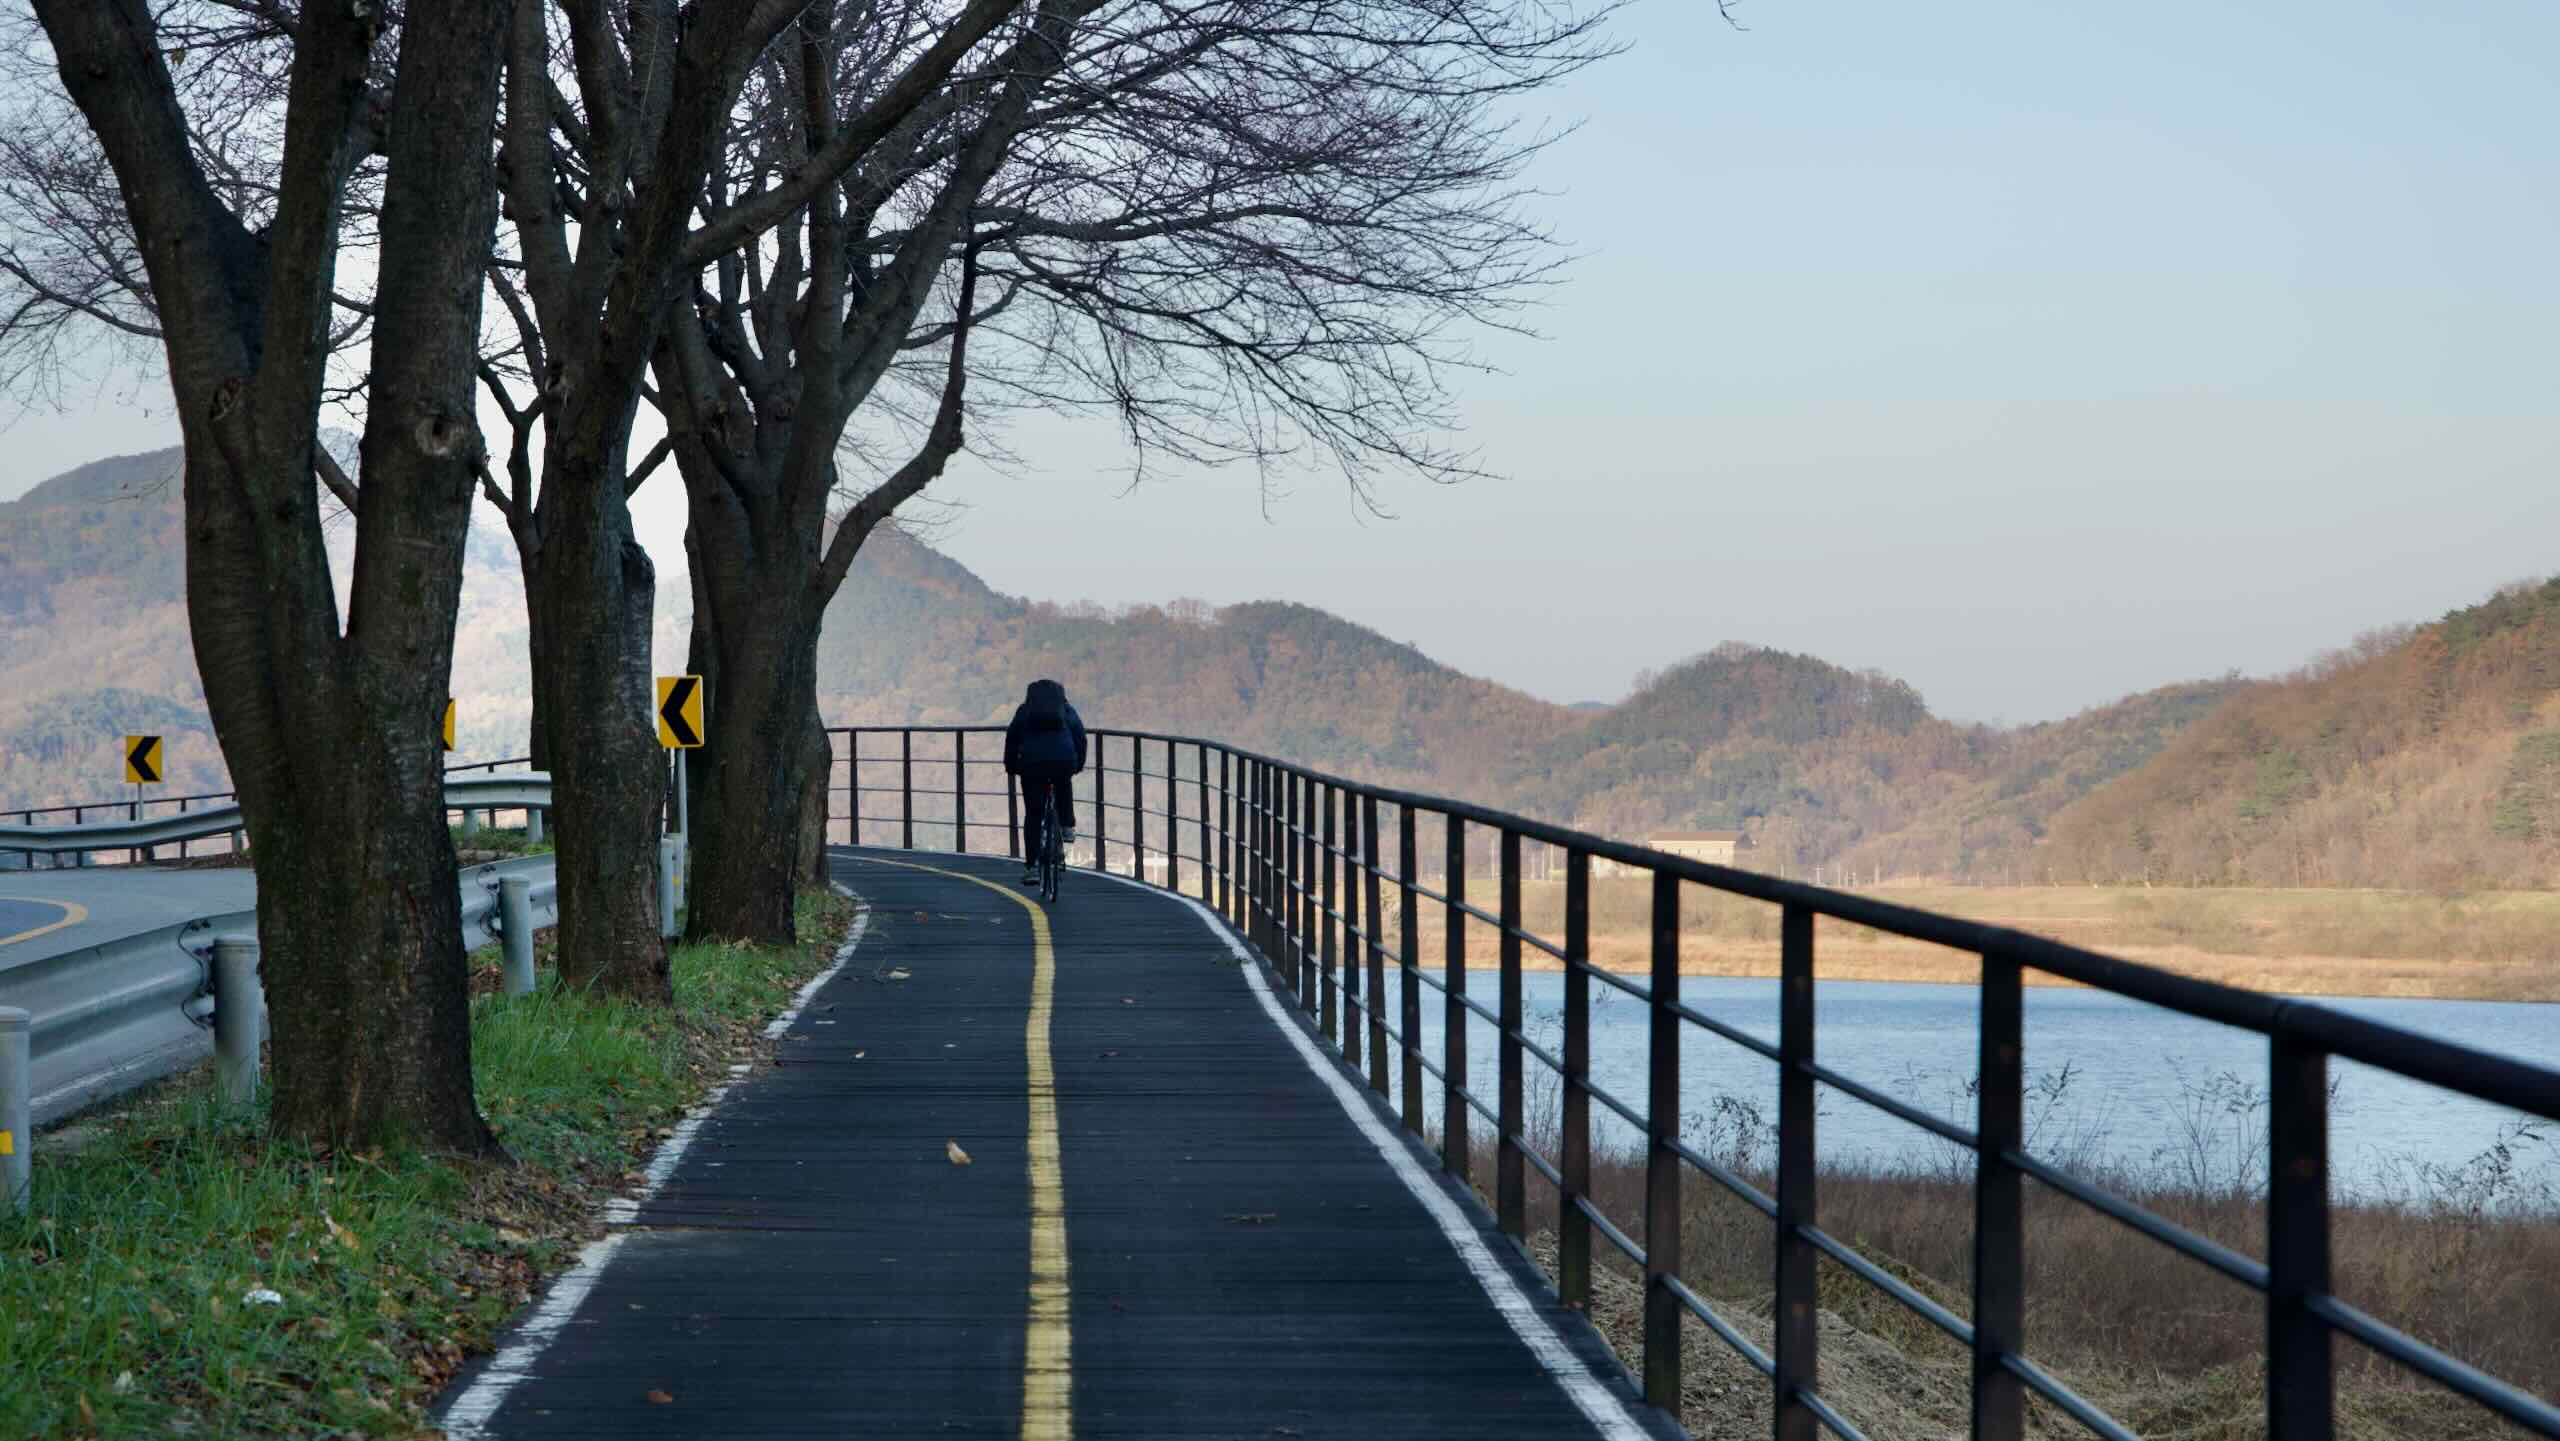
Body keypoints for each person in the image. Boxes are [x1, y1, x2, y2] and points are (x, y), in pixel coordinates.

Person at [1003, 678, 1087, 885]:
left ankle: (1032, 867)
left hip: (1032, 765)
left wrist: (1011, 766)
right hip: (1063, 761)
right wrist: (1077, 764)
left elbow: (1012, 739)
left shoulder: (1025, 711)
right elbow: (1080, 737)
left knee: (1033, 814)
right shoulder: (1066, 710)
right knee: (1063, 782)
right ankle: (1067, 825)